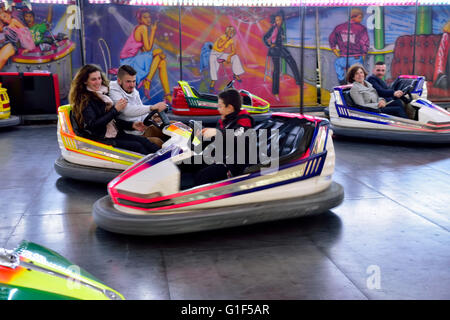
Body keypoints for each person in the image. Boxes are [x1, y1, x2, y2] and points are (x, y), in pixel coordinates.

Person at [69, 64, 159, 155]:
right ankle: (153, 166)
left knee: (144, 141)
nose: (98, 82)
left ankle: (165, 160)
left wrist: (131, 125)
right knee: (137, 146)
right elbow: (93, 125)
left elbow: (111, 122)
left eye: (99, 78)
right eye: (93, 79)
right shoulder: (85, 100)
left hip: (112, 133)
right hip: (99, 138)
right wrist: (115, 110)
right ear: (85, 81)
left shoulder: (102, 94)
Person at [194, 88, 255, 185]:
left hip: (236, 164)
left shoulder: (244, 120)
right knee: (191, 165)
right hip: (222, 157)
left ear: (230, 108)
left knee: (203, 176)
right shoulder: (225, 120)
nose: (218, 109)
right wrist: (205, 133)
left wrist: (217, 132)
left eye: (220, 106)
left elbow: (237, 136)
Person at [109, 64, 168, 148]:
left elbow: (140, 109)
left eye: (134, 81)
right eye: (128, 81)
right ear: (119, 81)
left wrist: (152, 116)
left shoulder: (133, 91)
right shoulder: (113, 91)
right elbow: (126, 110)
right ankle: (171, 159)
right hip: (129, 134)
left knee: (171, 127)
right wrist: (151, 108)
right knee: (158, 143)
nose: (132, 85)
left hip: (141, 128)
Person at [119, 8, 171, 102]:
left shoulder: (141, 28)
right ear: (140, 19)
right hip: (128, 62)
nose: (148, 20)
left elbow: (145, 51)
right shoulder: (142, 28)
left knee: (162, 62)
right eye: (145, 17)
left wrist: (158, 56)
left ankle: (167, 94)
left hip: (132, 60)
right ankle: (148, 81)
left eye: (149, 17)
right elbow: (148, 48)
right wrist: (154, 31)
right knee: (159, 52)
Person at [263, 10, 301, 99]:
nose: (278, 21)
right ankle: (275, 92)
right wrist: (269, 44)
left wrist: (282, 37)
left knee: (292, 61)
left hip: (281, 48)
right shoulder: (273, 28)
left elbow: (281, 39)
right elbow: (265, 37)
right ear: (275, 21)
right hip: (274, 49)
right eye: (277, 20)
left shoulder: (281, 28)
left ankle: (298, 82)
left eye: (280, 20)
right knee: (276, 70)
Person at [329, 8, 369, 85]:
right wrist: (363, 56)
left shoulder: (339, 27)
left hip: (343, 57)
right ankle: (356, 87)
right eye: (360, 17)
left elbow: (332, 40)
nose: (361, 20)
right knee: (358, 75)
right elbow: (365, 43)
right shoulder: (362, 28)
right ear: (354, 16)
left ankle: (342, 82)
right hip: (356, 57)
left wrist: (336, 53)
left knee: (337, 64)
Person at [209, 26, 245, 93]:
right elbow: (219, 46)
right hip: (214, 53)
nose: (231, 33)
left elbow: (234, 51)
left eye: (232, 32)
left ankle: (236, 73)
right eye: (230, 32)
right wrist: (226, 40)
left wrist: (229, 57)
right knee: (214, 66)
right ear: (227, 32)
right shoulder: (222, 37)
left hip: (221, 54)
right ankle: (213, 81)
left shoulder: (231, 40)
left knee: (235, 57)